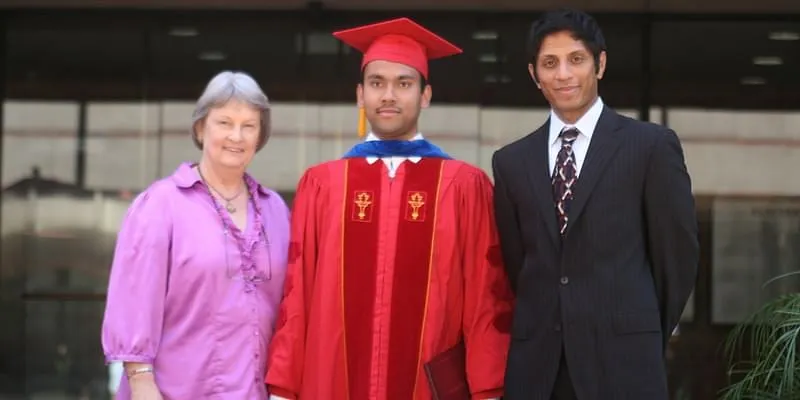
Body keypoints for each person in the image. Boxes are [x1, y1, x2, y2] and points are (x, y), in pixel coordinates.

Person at [266, 17, 513, 400]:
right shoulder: (323, 185)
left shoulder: (464, 186)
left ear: (425, 95)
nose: (389, 95)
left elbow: (486, 297)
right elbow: (297, 294)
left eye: (404, 83)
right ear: (360, 95)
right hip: (333, 384)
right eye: (377, 83)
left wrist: (488, 388)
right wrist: (283, 385)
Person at [491, 9, 699, 400]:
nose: (563, 74)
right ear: (535, 75)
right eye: (550, 63)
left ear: (600, 64)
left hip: (623, 365)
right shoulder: (511, 162)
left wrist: (639, 329)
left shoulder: (650, 147)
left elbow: (678, 257)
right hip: (539, 369)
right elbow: (520, 265)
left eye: (576, 59)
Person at [101, 70, 290, 399]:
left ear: (261, 136)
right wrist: (142, 382)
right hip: (176, 390)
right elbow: (132, 302)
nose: (237, 135)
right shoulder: (161, 205)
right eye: (225, 122)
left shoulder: (275, 210)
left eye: (249, 125)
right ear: (201, 128)